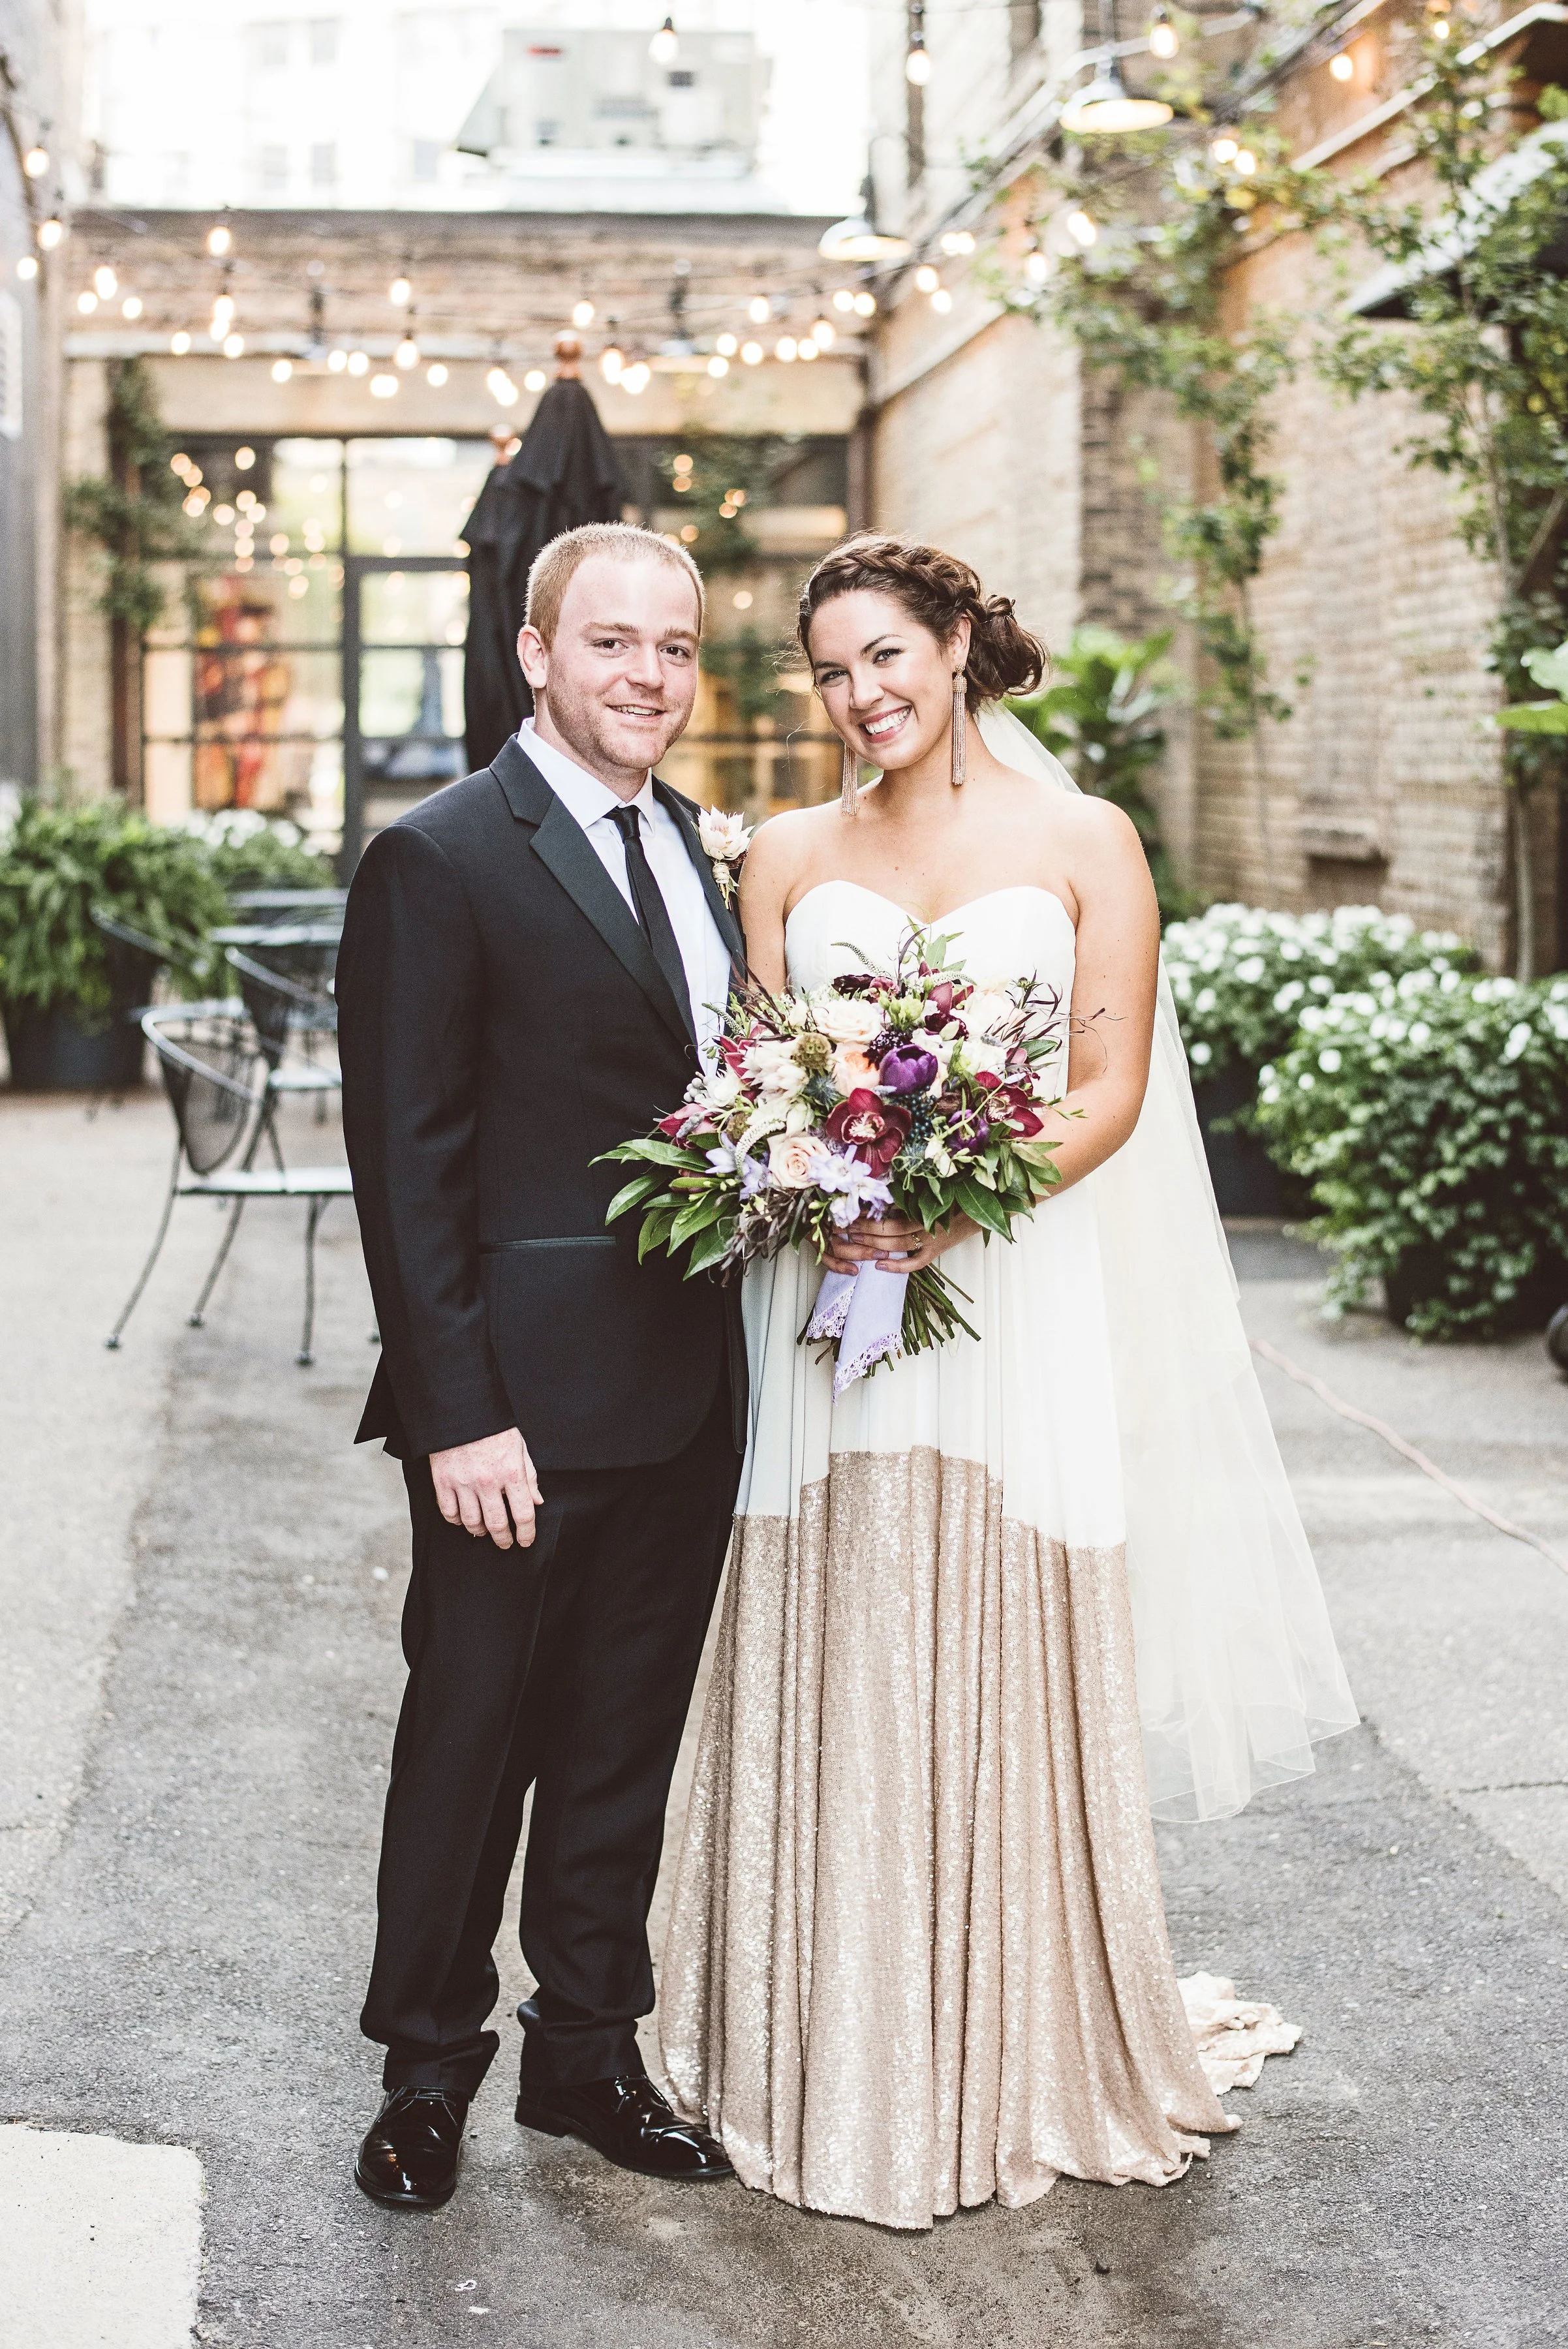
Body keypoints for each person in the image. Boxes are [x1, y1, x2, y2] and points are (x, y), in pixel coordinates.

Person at [658, 534, 1359, 2232]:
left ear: (959, 642)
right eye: (830, 671)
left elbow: (1107, 1081)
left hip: (1010, 1285)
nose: (863, 694)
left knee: (992, 1599)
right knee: (828, 1602)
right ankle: (805, 2024)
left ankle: (1008, 2024)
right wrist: (826, 1193)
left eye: (888, 654)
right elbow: (757, 1072)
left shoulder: (1083, 842)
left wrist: (944, 1209)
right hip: (827, 1297)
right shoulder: (787, 852)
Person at [337, 521, 747, 2211]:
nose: (648, 675)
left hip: (688, 1398)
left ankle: (587, 2053)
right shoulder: (441, 859)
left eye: (673, 647)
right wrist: (459, 1417)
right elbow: (407, 1164)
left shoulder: (706, 857)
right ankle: (428, 2070)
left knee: (617, 1747)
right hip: (512, 1417)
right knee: (471, 1744)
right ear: (533, 652)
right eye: (612, 643)